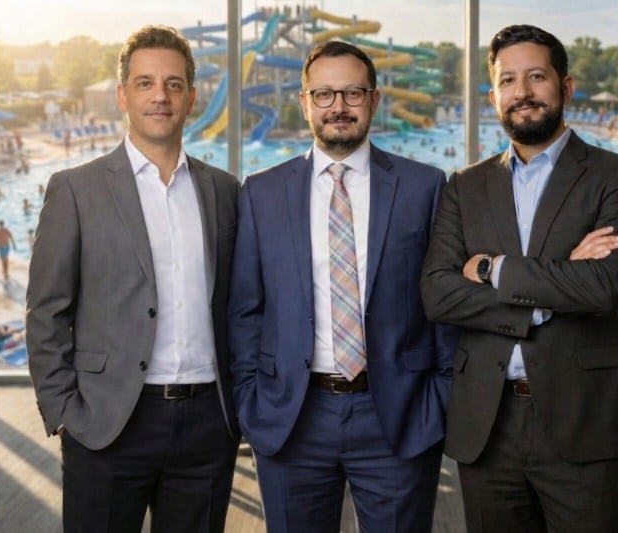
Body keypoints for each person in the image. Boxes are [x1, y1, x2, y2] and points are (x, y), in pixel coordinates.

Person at [420, 25, 618, 532]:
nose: (522, 92)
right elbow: (438, 293)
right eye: (507, 80)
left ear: (565, 86)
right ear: (493, 96)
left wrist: (491, 268)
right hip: (487, 421)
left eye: (536, 76)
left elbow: (603, 287)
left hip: (588, 418)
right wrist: (554, 287)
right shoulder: (464, 185)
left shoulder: (617, 176)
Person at [228, 41, 456, 532]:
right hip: (291, 416)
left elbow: (443, 303)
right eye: (324, 94)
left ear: (374, 100)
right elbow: (246, 309)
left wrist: (439, 396)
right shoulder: (261, 192)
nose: (338, 106)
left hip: (399, 414)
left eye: (352, 92)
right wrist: (251, 398)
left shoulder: (425, 186)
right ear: (304, 102)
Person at [26, 26, 240, 533]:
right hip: (106, 423)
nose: (159, 96)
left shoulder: (225, 191)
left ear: (191, 97)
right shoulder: (75, 190)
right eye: (145, 83)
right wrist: (63, 410)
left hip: (208, 427)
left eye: (173, 84)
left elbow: (240, 304)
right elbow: (46, 311)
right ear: (123, 95)